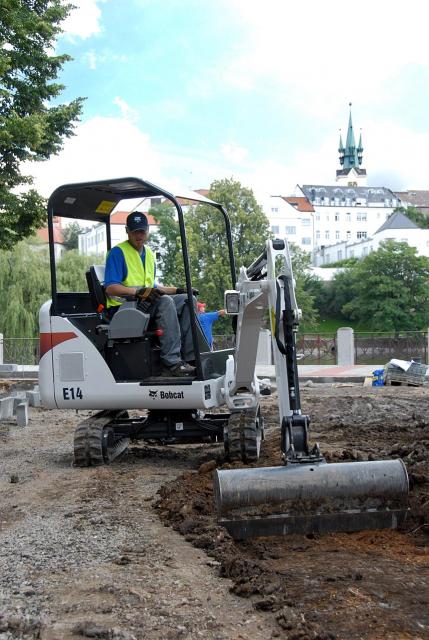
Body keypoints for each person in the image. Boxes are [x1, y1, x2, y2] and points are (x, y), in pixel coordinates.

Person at [104, 211, 196, 377]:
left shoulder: (149, 255)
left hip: (145, 304)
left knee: (187, 300)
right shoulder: (118, 253)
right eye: (135, 232)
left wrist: (179, 290)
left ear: (148, 231)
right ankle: (172, 362)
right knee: (165, 302)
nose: (139, 235)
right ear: (127, 231)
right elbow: (111, 288)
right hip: (124, 309)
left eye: (142, 231)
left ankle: (190, 357)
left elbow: (153, 286)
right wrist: (138, 292)